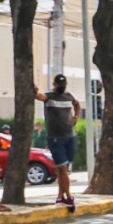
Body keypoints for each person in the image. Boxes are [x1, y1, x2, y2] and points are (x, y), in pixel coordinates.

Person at [35, 74, 81, 211]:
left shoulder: (69, 96)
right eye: (59, 85)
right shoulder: (49, 96)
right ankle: (68, 197)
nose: (61, 87)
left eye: (63, 85)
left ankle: (60, 195)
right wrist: (34, 90)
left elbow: (77, 104)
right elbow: (39, 96)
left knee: (64, 169)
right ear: (54, 85)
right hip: (56, 138)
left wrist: (76, 116)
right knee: (61, 168)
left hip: (70, 136)